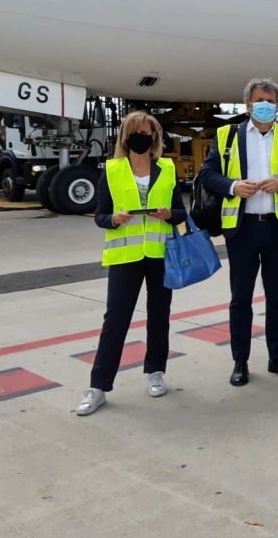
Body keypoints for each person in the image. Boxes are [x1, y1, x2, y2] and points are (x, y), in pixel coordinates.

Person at [197, 78, 278, 387]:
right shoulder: (227, 135)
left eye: (271, 102)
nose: (265, 106)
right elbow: (207, 173)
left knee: (276, 297)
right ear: (248, 104)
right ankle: (240, 361)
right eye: (260, 101)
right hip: (242, 228)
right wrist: (233, 186)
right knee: (241, 299)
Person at [76, 111, 186, 416]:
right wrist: (113, 219)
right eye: (136, 132)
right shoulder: (112, 170)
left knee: (159, 316)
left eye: (146, 132)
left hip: (159, 253)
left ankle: (156, 371)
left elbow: (181, 211)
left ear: (155, 137)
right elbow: (100, 215)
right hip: (125, 256)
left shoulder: (167, 167)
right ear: (126, 137)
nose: (141, 137)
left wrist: (169, 214)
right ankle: (98, 386)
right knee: (115, 319)